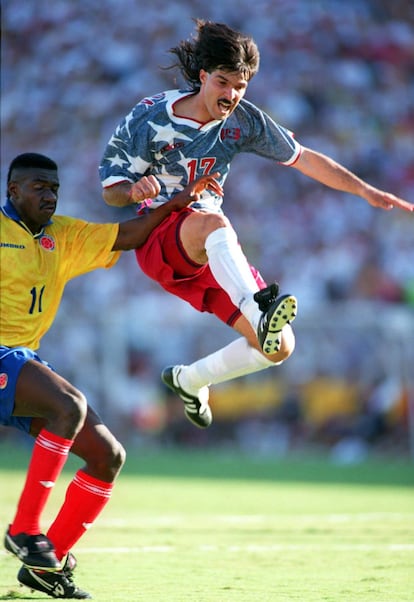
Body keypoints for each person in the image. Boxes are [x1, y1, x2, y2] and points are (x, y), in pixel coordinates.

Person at [99, 19, 413, 430]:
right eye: (224, 82)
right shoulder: (151, 116)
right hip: (161, 236)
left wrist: (365, 191)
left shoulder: (244, 121)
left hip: (211, 252)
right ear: (203, 77)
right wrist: (134, 190)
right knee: (212, 224)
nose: (231, 94)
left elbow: (305, 157)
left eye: (241, 86)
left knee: (279, 347)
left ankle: (190, 380)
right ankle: (257, 307)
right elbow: (110, 188)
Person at [0, 152, 221, 599]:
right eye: (39, 187)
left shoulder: (62, 235)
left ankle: (48, 566)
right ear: (13, 191)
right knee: (70, 406)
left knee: (108, 455)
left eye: (55, 188)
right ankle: (24, 530)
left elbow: (132, 234)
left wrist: (179, 201)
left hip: (23, 359)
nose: (50, 195)